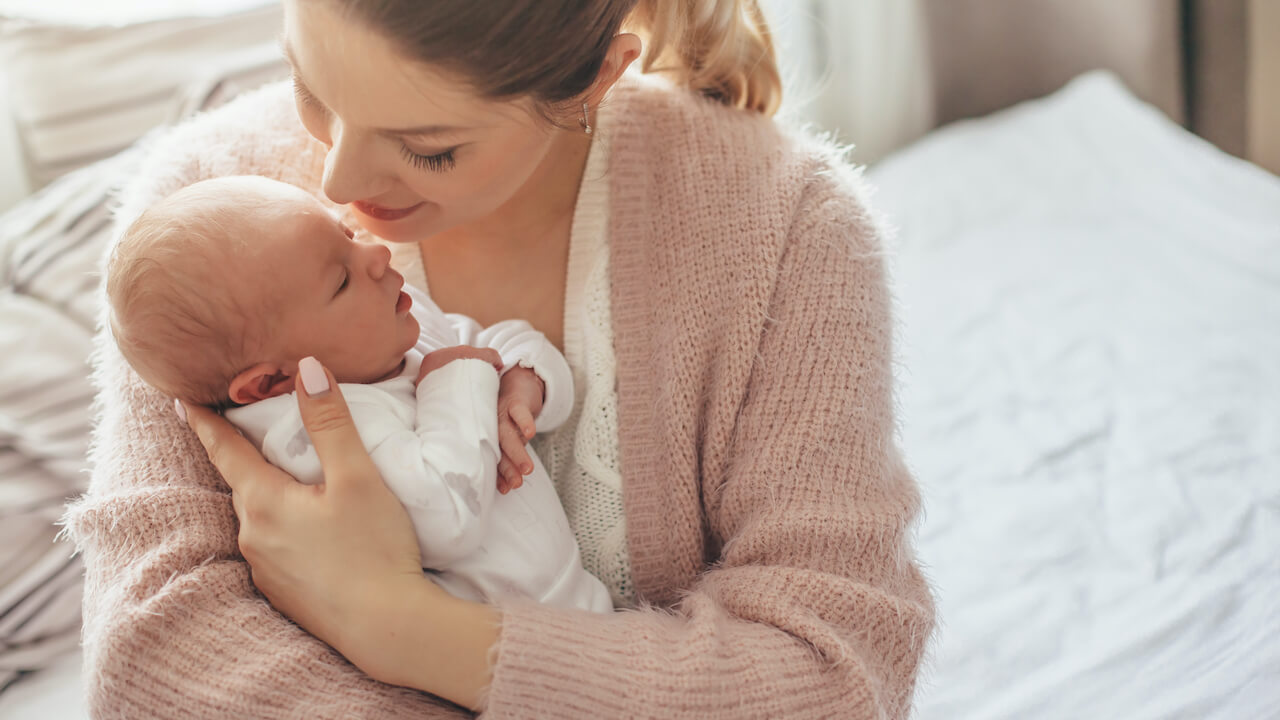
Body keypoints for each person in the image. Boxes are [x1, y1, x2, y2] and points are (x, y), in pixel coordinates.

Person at [66, 0, 937, 717]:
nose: (335, 181)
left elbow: (833, 675)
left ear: (598, 75)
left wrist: (402, 628)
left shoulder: (788, 231)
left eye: (429, 147)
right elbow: (153, 661)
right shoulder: (205, 221)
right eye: (309, 84)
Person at [104, 175, 615, 614]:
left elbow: (500, 342)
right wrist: (455, 378)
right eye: (341, 280)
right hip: (505, 647)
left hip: (578, 602)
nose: (376, 254)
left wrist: (525, 381)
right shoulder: (311, 437)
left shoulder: (395, 335)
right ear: (271, 383)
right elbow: (447, 521)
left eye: (346, 233)